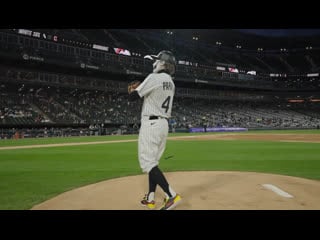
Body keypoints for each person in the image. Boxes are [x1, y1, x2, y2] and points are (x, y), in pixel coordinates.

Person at [128, 50, 181, 210]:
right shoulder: (171, 82)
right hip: (163, 124)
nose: (154, 63)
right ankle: (151, 198)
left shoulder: (154, 77)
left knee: (148, 163)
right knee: (153, 162)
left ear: (163, 63)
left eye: (157, 60)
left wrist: (131, 89)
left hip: (151, 124)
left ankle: (172, 195)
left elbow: (132, 98)